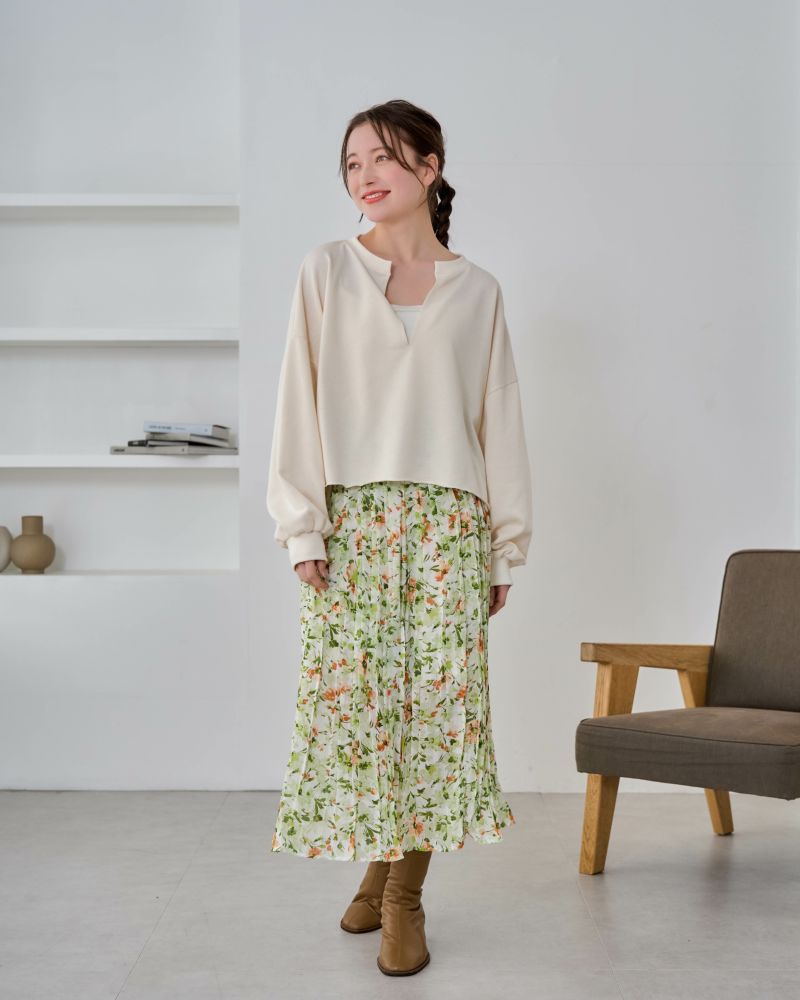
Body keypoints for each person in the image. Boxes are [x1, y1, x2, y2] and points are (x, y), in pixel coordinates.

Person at [266, 98, 533, 977]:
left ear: (428, 166)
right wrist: (302, 527)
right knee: (363, 713)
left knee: (439, 718)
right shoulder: (326, 270)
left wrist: (504, 544)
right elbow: (297, 399)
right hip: (354, 522)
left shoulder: (479, 290)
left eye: (381, 157)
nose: (365, 175)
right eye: (351, 163)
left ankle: (403, 899)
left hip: (450, 527)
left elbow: (499, 421)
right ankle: (377, 869)